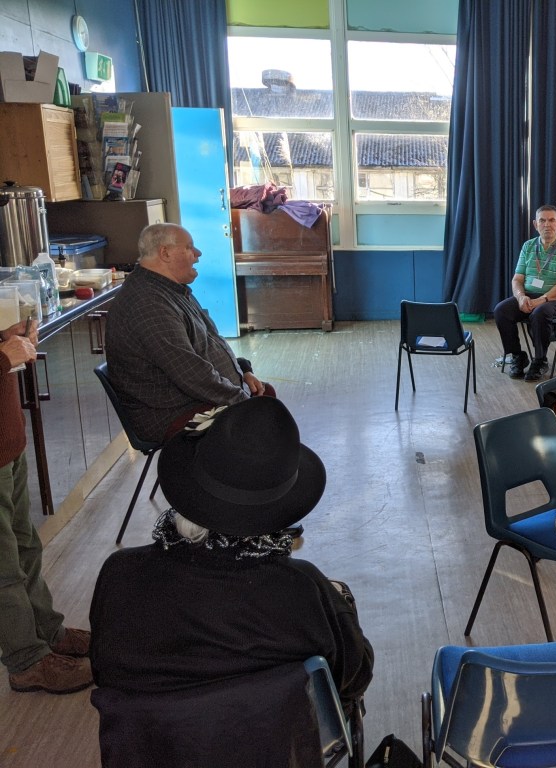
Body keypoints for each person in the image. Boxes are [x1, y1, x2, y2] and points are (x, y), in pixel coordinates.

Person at [89, 397, 374, 717]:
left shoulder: (119, 575)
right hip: (273, 742)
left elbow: (103, 670)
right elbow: (354, 676)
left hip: (151, 741)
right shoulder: (302, 590)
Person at [104, 223, 275, 444]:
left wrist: (242, 372)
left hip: (193, 398)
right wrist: (241, 398)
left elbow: (209, 342)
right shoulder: (148, 304)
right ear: (165, 253)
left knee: (266, 395)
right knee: (265, 414)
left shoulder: (170, 289)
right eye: (189, 247)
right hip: (172, 412)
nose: (198, 254)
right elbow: (190, 373)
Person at [2, 320, 92, 694]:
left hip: (8, 440)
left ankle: (47, 632)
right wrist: (3, 357)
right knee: (4, 565)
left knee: (26, 547)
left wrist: (12, 336)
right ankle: (26, 660)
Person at [493, 205, 556, 382]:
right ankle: (518, 356)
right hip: (529, 295)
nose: (547, 224)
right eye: (542, 220)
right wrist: (520, 297)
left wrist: (543, 299)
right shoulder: (528, 246)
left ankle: (540, 360)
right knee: (501, 310)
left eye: (551, 220)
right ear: (535, 224)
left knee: (540, 312)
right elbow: (517, 279)